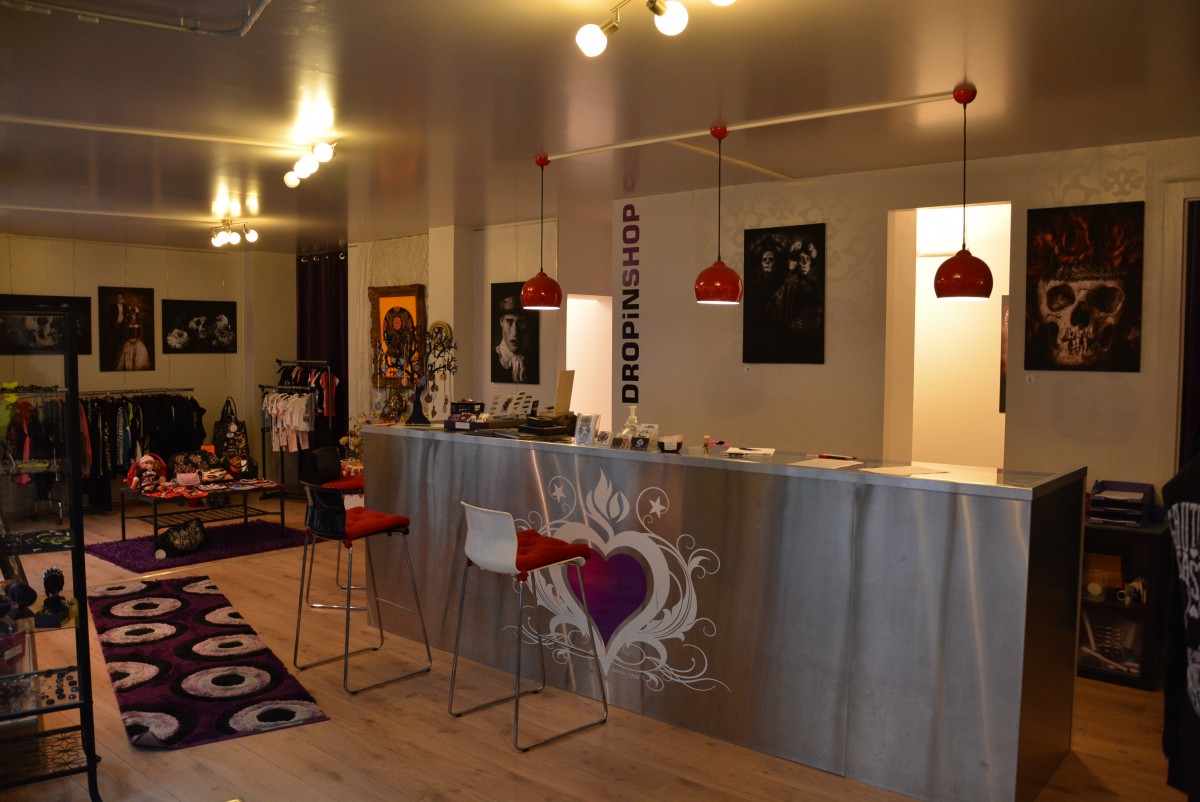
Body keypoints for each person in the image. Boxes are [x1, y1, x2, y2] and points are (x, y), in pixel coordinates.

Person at [492, 295, 531, 383]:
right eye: (509, 322)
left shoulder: (534, 359)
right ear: (501, 322)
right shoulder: (492, 361)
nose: (515, 332)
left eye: (520, 322)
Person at [116, 304, 151, 370]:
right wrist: (129, 340)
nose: (132, 316)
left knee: (139, 349)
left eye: (133, 314)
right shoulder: (127, 323)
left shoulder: (139, 322)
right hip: (129, 341)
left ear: (136, 314)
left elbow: (141, 334)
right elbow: (126, 334)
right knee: (126, 347)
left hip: (137, 340)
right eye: (131, 314)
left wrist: (136, 340)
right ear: (129, 315)